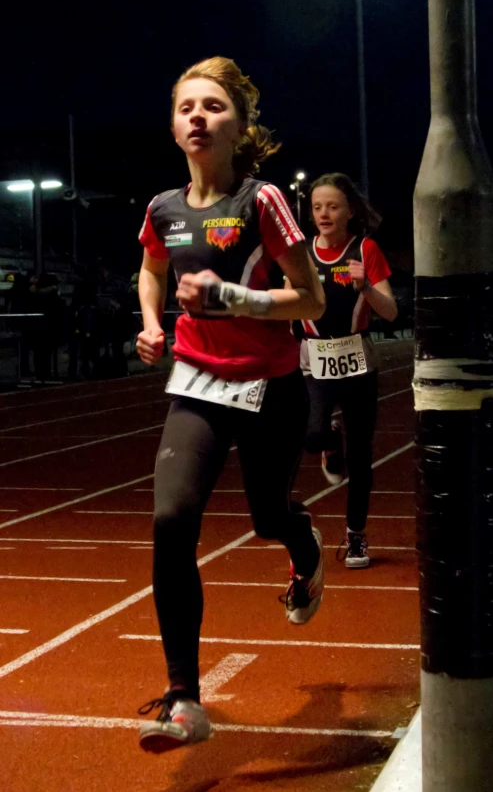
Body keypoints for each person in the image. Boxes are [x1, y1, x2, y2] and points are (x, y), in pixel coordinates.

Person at [135, 56, 326, 754]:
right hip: (196, 381)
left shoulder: (262, 200)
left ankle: (302, 545)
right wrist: (152, 323)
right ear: (174, 123)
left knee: (267, 514)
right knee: (170, 516)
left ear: (239, 126)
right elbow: (151, 268)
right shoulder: (162, 208)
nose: (196, 117)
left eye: (212, 106)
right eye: (186, 106)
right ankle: (184, 697)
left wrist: (235, 298)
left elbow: (312, 298)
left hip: (269, 384)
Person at [296, 173, 397, 569]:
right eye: (317, 206)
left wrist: (367, 288)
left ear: (350, 211)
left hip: (357, 362)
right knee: (311, 433)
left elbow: (390, 310)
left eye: (333, 206)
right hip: (313, 360)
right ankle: (328, 440)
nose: (324, 213)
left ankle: (356, 535)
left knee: (362, 456)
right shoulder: (301, 252)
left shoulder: (365, 249)